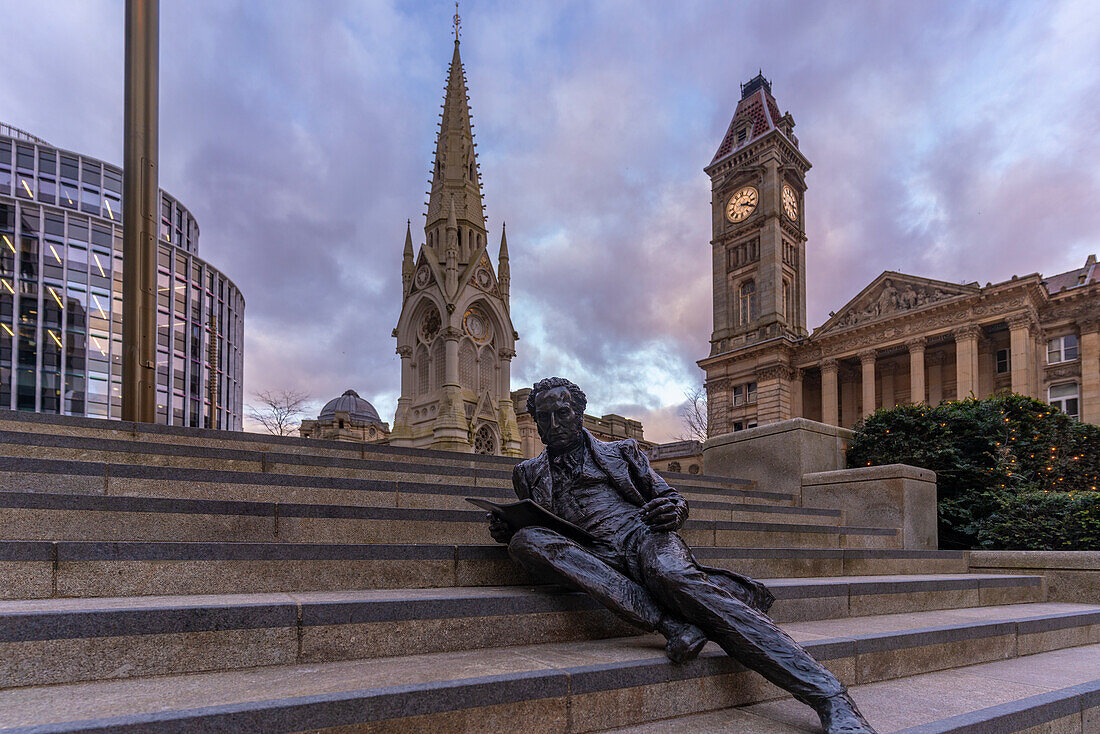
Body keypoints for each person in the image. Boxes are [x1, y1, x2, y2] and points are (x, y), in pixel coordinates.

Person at [486, 377, 876, 734]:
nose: (554, 424)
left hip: (643, 538)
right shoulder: (528, 473)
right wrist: (509, 529)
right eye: (544, 417)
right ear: (534, 422)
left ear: (579, 413)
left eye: (563, 413)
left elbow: (670, 497)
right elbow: (540, 521)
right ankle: (673, 624)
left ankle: (829, 696)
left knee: (671, 577)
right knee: (525, 542)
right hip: (592, 557)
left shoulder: (620, 452)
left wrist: (672, 509)